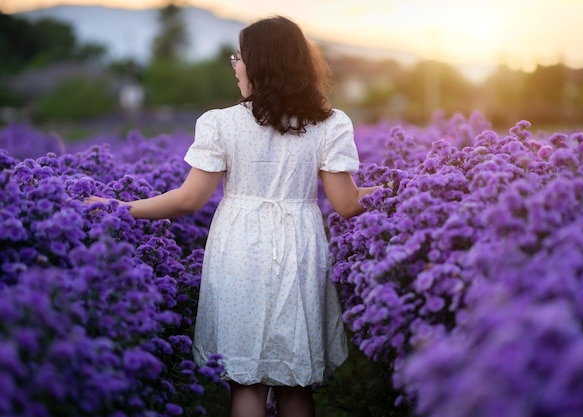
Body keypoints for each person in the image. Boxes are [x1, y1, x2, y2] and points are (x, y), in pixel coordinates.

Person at [88, 15, 379, 417]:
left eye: (239, 56)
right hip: (300, 245)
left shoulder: (220, 124)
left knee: (246, 381)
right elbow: (347, 204)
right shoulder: (330, 124)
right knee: (296, 382)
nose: (235, 65)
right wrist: (400, 192)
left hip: (239, 247)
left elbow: (188, 200)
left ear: (260, 63)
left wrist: (119, 209)